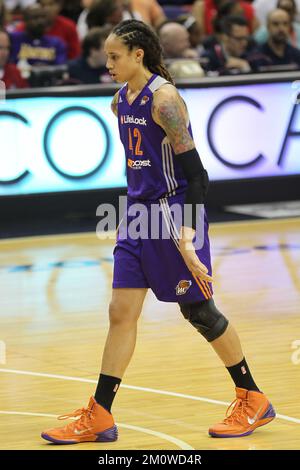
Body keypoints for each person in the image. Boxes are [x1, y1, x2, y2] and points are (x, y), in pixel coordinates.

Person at [41, 18, 276, 445]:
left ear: (138, 55)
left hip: (172, 214)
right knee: (120, 312)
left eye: (114, 56)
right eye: (107, 56)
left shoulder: (164, 101)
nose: (107, 63)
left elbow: (197, 176)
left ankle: (252, 397)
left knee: (199, 312)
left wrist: (186, 236)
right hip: (135, 214)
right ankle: (100, 414)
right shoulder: (119, 101)